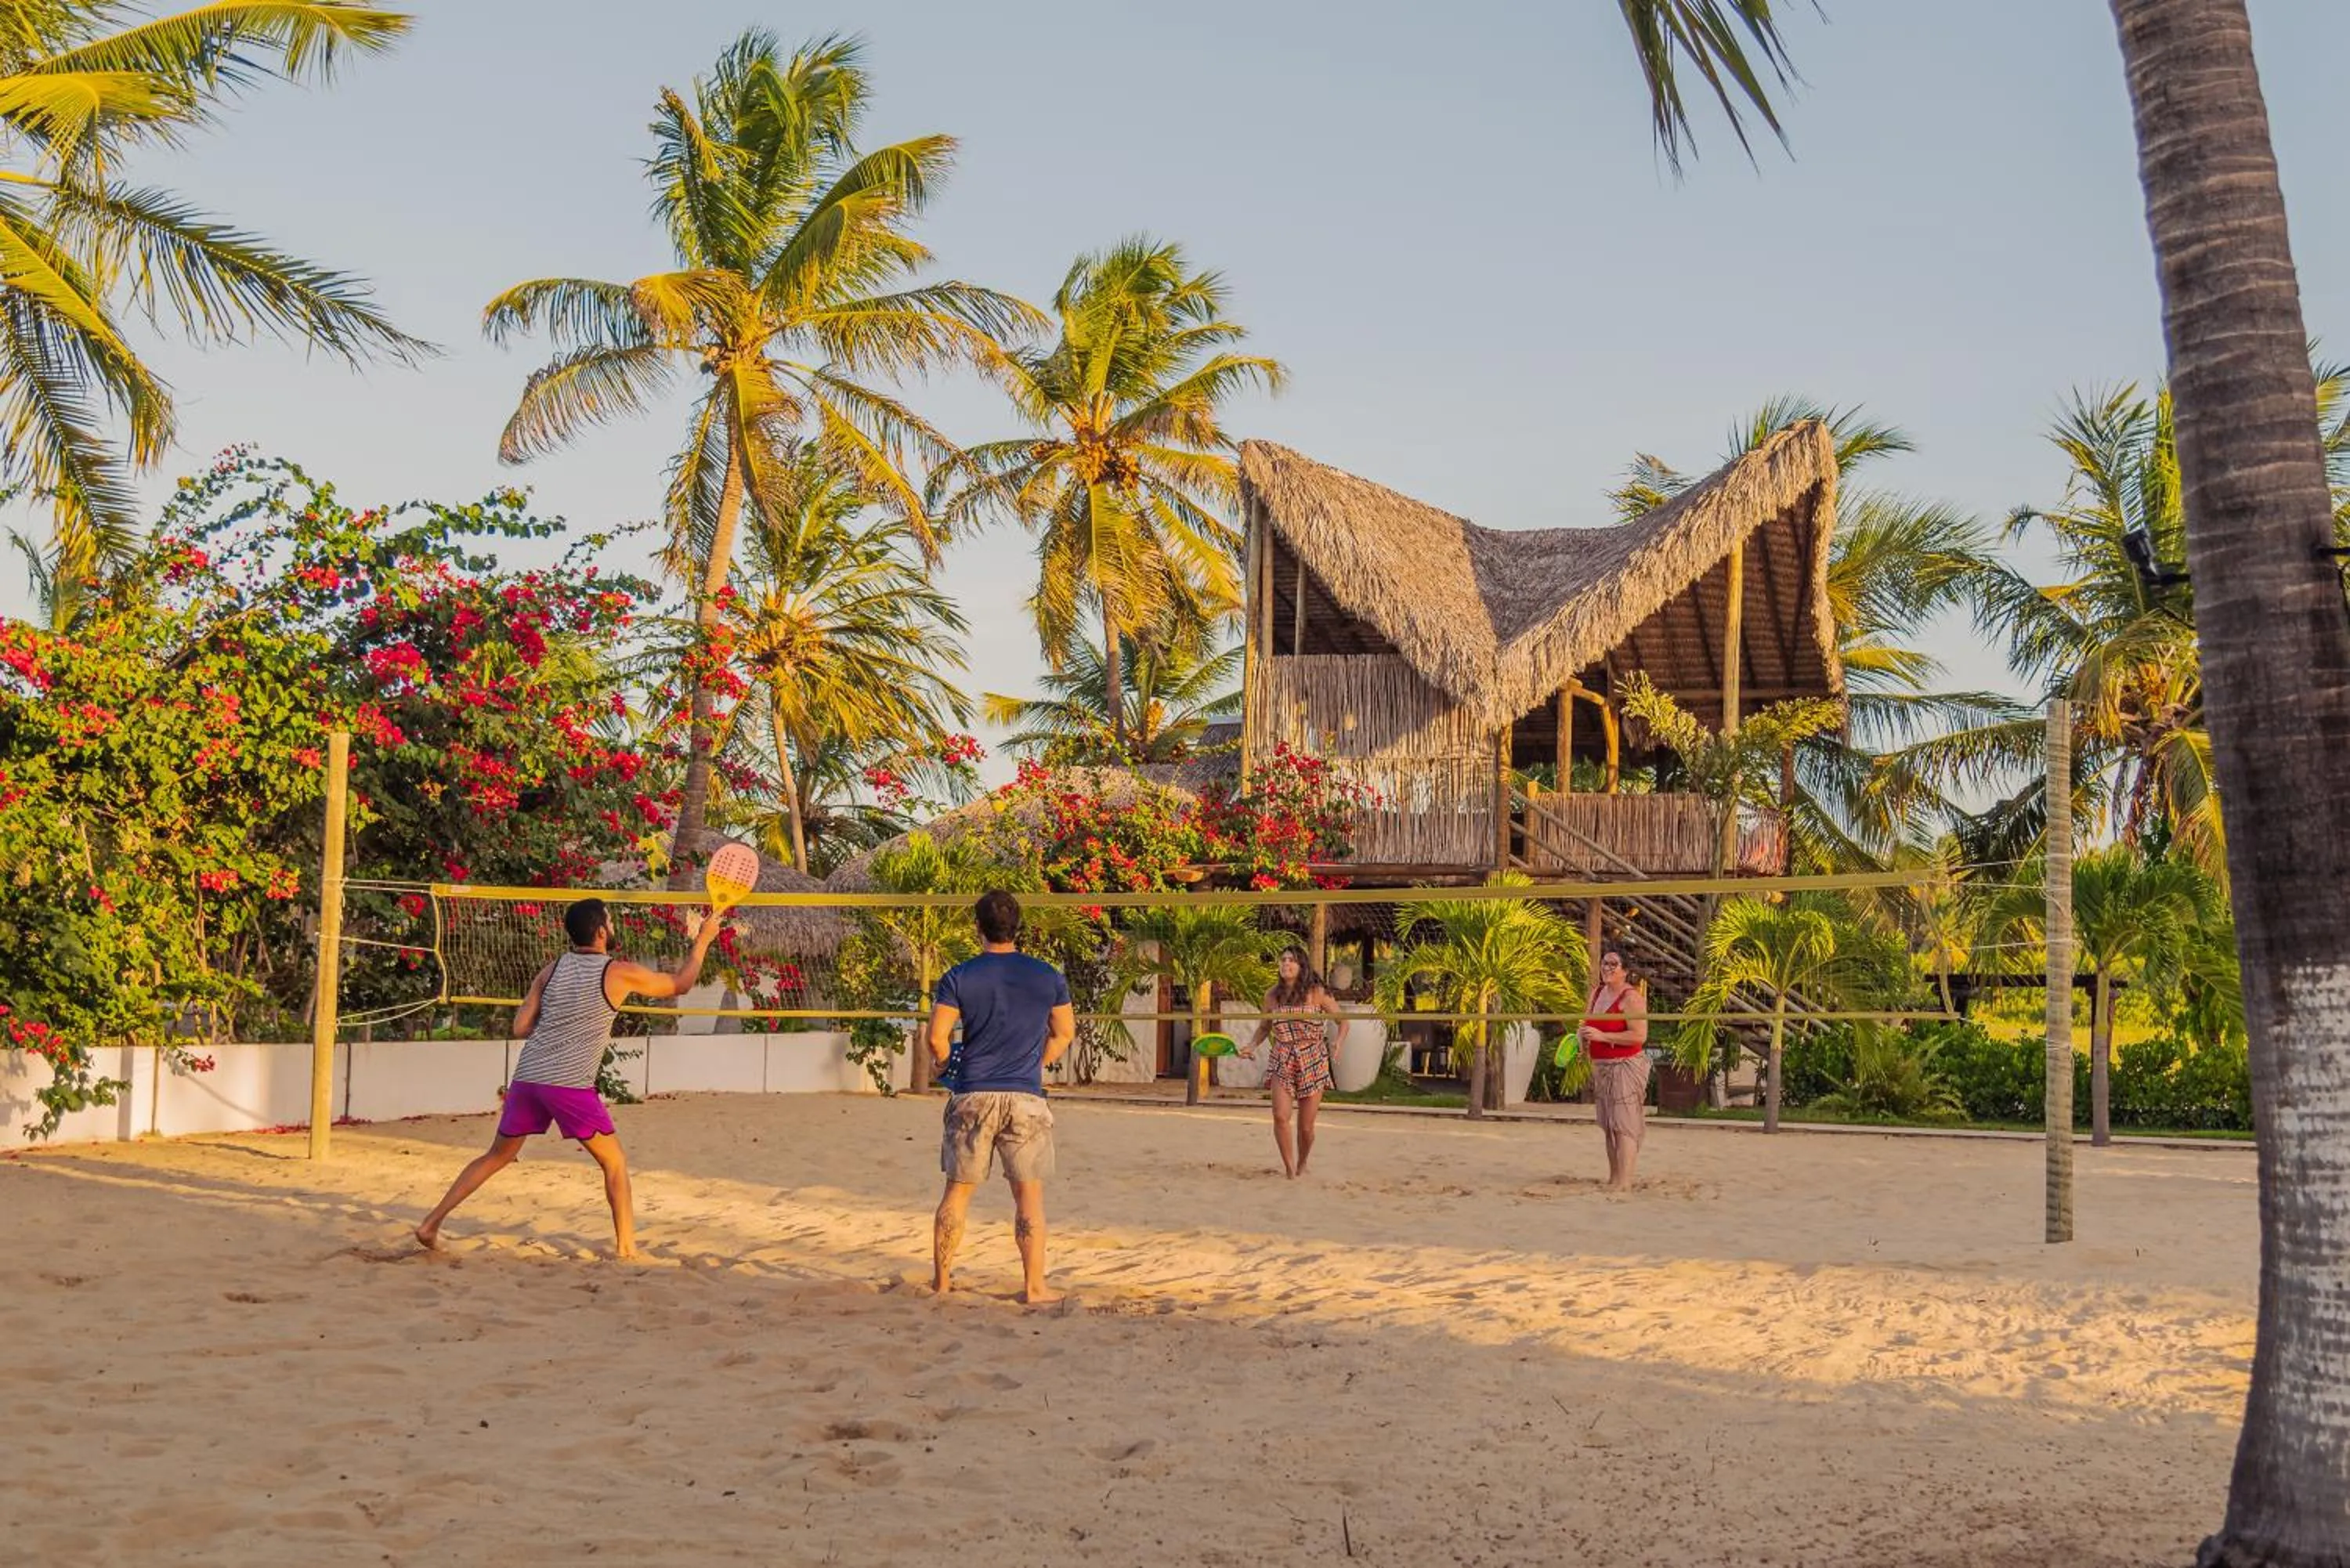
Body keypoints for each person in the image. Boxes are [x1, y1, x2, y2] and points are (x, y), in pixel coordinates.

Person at [415, 897, 722, 1259]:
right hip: (568, 1084)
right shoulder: (617, 972)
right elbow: (681, 984)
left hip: (528, 1078)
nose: (613, 926)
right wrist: (704, 939)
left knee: (496, 1156)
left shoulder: (552, 969)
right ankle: (627, 1250)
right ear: (601, 931)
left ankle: (430, 1224)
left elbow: (520, 1027)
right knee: (614, 1163)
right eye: (610, 921)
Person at [927, 890, 1075, 1306]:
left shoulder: (959, 976)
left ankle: (942, 1283)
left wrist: (945, 1065)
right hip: (1024, 1095)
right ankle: (1034, 1288)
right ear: (1018, 927)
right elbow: (1064, 1033)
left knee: (957, 1192)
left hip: (973, 1092)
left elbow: (937, 1038)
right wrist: (1037, 1063)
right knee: (1028, 1196)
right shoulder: (1047, 976)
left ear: (978, 927)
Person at [1242, 946, 1346, 1178]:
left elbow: (1343, 1021)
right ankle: (1289, 1170)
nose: (1286, 964)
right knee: (1280, 1116)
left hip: (1313, 1057)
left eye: (1291, 960)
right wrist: (1251, 1045)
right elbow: (1264, 1027)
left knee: (1306, 1128)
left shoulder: (1317, 992)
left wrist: (1338, 1042)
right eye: (1283, 960)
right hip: (1283, 1056)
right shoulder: (1272, 996)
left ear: (1301, 966)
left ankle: (1302, 1163)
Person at [1580, 948, 1651, 1191]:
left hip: (1625, 1065)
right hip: (1602, 1065)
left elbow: (1639, 1036)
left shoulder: (1631, 998)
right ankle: (1614, 1178)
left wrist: (1603, 1036)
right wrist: (1582, 1037)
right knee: (1609, 1125)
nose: (1607, 968)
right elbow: (1587, 1024)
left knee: (1624, 1125)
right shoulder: (1596, 992)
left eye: (1613, 964)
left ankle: (1625, 1182)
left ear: (1625, 971)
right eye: (1605, 963)